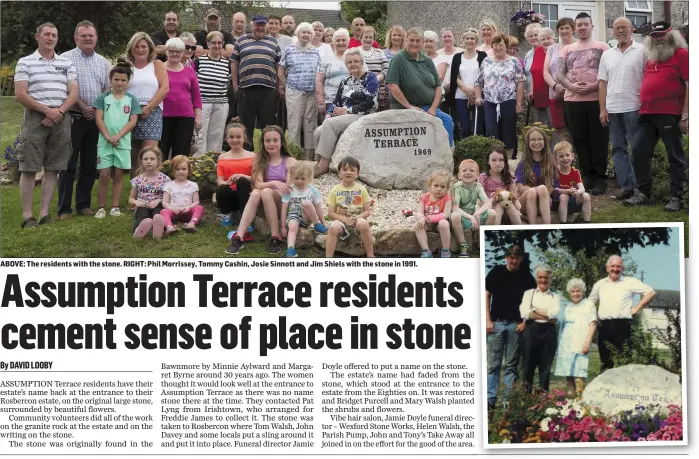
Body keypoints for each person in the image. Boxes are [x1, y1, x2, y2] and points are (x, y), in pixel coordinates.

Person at [14, 22, 78, 229]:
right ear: (37, 37)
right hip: (35, 118)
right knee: (29, 167)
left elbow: (73, 93)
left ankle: (43, 214)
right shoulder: (25, 62)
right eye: (47, 35)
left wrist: (57, 112)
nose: (50, 38)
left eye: (54, 35)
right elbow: (21, 94)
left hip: (61, 117)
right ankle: (27, 216)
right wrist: (45, 110)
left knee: (53, 168)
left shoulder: (66, 63)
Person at [624, 21, 688, 212]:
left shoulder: (682, 55)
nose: (658, 39)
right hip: (646, 113)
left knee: (675, 155)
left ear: (672, 35)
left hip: (669, 113)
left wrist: (685, 116)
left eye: (662, 35)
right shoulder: (651, 57)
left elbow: (690, 85)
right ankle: (643, 193)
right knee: (638, 151)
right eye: (654, 36)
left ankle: (677, 196)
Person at [57, 21, 110, 220]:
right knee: (68, 164)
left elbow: (107, 89)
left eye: (91, 35)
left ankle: (83, 204)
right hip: (73, 118)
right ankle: (64, 209)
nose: (88, 38)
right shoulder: (65, 59)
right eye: (84, 35)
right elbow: (63, 88)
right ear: (76, 38)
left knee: (89, 164)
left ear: (96, 38)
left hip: (95, 120)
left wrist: (95, 108)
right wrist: (81, 105)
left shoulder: (103, 62)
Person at [556, 13, 610, 195]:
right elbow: (559, 74)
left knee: (599, 139)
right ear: (575, 28)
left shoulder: (603, 47)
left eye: (585, 24)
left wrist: (593, 86)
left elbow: (608, 73)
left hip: (596, 100)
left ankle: (601, 177)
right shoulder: (567, 49)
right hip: (573, 101)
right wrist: (572, 86)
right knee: (579, 139)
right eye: (579, 25)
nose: (582, 28)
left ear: (592, 26)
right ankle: (587, 175)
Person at [227, 126, 297, 255]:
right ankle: (240, 236)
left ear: (282, 142)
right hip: (264, 199)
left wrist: (269, 187)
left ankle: (275, 236)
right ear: (263, 143)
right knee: (255, 193)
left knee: (265, 192)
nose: (271, 144)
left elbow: (289, 189)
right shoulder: (259, 158)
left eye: (275, 140)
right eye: (267, 140)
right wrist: (274, 183)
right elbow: (257, 183)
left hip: (283, 202)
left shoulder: (289, 161)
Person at [598, 17, 645, 202]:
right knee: (618, 148)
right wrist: (603, 109)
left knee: (638, 148)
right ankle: (626, 187)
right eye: (616, 28)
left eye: (623, 27)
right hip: (613, 108)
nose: (620, 31)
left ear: (631, 29)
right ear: (612, 32)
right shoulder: (607, 55)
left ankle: (641, 188)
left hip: (635, 107)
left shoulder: (642, 51)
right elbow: (602, 83)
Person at [485, 245, 536, 410]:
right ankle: (490, 401)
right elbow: (486, 295)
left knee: (511, 366)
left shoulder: (527, 277)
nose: (514, 261)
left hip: (516, 325)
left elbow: (534, 300)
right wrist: (487, 320)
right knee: (493, 365)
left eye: (517, 258)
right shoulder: (496, 272)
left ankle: (507, 401)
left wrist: (525, 322)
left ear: (521, 259)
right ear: (506, 257)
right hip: (496, 324)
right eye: (511, 257)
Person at [313, 48, 379, 176]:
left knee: (329, 125)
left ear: (361, 62)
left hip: (362, 116)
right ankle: (318, 162)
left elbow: (372, 102)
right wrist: (328, 114)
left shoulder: (370, 78)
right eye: (349, 62)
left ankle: (324, 164)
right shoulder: (345, 80)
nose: (353, 64)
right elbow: (336, 101)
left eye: (356, 61)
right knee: (319, 131)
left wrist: (347, 110)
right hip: (344, 116)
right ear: (346, 65)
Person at [386, 27, 454, 147]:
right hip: (405, 108)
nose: (414, 43)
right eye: (411, 40)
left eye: (418, 41)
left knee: (447, 120)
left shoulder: (427, 60)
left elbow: (438, 86)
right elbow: (392, 85)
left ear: (422, 43)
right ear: (405, 40)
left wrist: (433, 108)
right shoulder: (398, 59)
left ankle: (446, 154)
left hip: (428, 108)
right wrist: (409, 106)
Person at [589, 255, 656, 371]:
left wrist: (637, 308)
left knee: (624, 362)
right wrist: (593, 317)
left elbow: (650, 292)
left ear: (622, 269)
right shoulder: (599, 284)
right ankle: (605, 387)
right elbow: (589, 303)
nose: (615, 269)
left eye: (618, 266)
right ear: (607, 268)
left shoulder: (629, 282)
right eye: (613, 266)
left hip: (623, 326)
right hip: (604, 327)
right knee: (605, 362)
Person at [93, 59, 141, 219]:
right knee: (104, 174)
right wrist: (107, 136)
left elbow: (133, 121)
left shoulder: (131, 100)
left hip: (122, 143)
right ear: (111, 80)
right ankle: (101, 208)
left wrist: (118, 136)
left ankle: (114, 207)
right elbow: (99, 119)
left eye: (123, 80)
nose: (119, 83)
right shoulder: (103, 98)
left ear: (128, 82)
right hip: (105, 143)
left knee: (119, 175)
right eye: (116, 79)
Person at [231, 14, 281, 151]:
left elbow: (278, 66)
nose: (260, 27)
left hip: (269, 90)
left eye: (262, 25)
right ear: (252, 25)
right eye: (257, 25)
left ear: (265, 26)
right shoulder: (241, 41)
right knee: (246, 126)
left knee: (268, 126)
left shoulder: (273, 42)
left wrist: (279, 86)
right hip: (246, 89)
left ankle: (268, 156)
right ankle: (246, 156)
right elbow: (234, 64)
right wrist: (235, 85)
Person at [126, 32, 169, 178]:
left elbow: (164, 88)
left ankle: (150, 191)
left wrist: (149, 108)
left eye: (143, 46)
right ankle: (135, 193)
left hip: (152, 112)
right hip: (129, 113)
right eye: (136, 46)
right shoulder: (126, 66)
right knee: (133, 156)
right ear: (131, 48)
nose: (140, 49)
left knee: (150, 156)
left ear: (150, 48)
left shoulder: (156, 64)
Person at [474, 34, 525, 159]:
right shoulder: (486, 61)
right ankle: (495, 159)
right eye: (495, 45)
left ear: (506, 46)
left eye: (500, 44)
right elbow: (478, 81)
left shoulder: (513, 61)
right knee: (491, 130)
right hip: (490, 101)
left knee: (508, 131)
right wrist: (478, 97)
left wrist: (519, 104)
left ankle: (508, 161)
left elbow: (520, 82)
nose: (497, 47)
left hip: (508, 100)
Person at [279, 23, 322, 160]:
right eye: (303, 32)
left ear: (311, 35)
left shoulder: (316, 51)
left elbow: (319, 72)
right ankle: (294, 156)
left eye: (309, 33)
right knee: (294, 124)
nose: (306, 35)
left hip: (311, 93)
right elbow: (280, 72)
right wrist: (288, 87)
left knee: (310, 123)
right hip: (294, 91)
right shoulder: (289, 50)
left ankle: (309, 157)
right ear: (298, 34)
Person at [519, 264, 561, 393]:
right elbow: (524, 313)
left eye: (546, 278)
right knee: (528, 368)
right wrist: (547, 314)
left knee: (545, 368)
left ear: (550, 279)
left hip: (548, 334)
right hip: (531, 332)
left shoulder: (556, 296)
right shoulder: (528, 293)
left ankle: (543, 402)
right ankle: (525, 400)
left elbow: (555, 314)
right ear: (537, 278)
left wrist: (534, 309)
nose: (543, 280)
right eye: (540, 277)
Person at [554, 278, 598, 399]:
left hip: (580, 341)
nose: (575, 294)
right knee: (568, 372)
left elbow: (593, 324)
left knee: (579, 371)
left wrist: (587, 342)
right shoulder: (567, 306)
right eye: (572, 291)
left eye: (578, 291)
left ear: (583, 292)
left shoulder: (588, 305)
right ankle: (570, 401)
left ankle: (580, 400)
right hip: (565, 343)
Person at [160, 38, 202, 160]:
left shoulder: (189, 70)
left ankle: (179, 178)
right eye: (171, 51)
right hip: (162, 116)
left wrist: (198, 117)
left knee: (181, 154)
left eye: (178, 51)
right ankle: (161, 178)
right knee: (161, 151)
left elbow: (196, 96)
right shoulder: (159, 69)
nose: (174, 54)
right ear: (166, 52)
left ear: (182, 53)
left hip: (185, 117)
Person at [325, 157, 374, 258]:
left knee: (363, 223)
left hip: (357, 221)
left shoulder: (362, 190)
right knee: (333, 227)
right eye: (344, 169)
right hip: (341, 222)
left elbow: (367, 211)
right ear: (339, 173)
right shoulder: (334, 190)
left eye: (352, 170)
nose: (348, 172)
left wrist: (357, 218)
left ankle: (371, 255)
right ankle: (328, 258)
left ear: (357, 173)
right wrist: (345, 220)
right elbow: (330, 213)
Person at [193, 31, 231, 156]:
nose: (217, 45)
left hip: (221, 104)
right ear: (208, 44)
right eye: (213, 43)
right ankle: (198, 165)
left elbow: (227, 83)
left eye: (220, 43)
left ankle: (213, 165)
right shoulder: (199, 62)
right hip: (203, 103)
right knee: (200, 134)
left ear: (223, 44)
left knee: (217, 135)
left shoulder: (227, 64)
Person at [280, 163, 329, 258]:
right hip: (293, 216)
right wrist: (282, 227)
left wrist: (323, 222)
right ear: (291, 177)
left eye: (303, 178)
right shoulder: (289, 190)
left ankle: (316, 225)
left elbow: (318, 207)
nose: (299, 181)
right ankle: (290, 249)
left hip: (307, 216)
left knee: (306, 203)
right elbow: (284, 208)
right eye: (296, 178)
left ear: (309, 178)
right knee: (293, 226)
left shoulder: (312, 190)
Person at [447, 28, 487, 138]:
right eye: (467, 38)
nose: (469, 41)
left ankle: (478, 149)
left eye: (472, 39)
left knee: (478, 125)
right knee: (464, 126)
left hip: (478, 95)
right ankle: (466, 149)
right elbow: (455, 76)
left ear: (476, 41)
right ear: (463, 41)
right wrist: (466, 90)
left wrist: (474, 92)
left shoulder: (483, 56)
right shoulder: (457, 57)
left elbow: (485, 75)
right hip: (460, 95)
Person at [450, 159, 495, 257]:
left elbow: (487, 203)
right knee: (455, 216)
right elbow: (455, 208)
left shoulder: (478, 186)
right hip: (463, 218)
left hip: (476, 217)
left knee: (492, 213)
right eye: (464, 170)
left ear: (478, 175)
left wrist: (477, 213)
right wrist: (470, 217)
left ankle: (481, 239)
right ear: (459, 175)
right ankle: (463, 246)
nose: (468, 173)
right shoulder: (457, 187)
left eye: (471, 170)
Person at [216, 120, 255, 227]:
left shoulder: (252, 156)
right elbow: (220, 181)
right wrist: (227, 183)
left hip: (247, 196)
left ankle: (245, 218)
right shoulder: (222, 157)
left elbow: (256, 179)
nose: (235, 140)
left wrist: (243, 176)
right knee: (221, 189)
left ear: (244, 138)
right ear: (226, 139)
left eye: (238, 137)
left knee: (242, 181)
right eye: (231, 137)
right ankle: (227, 214)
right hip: (230, 196)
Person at [543, 18, 576, 145]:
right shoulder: (552, 49)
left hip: (574, 94)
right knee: (559, 130)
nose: (564, 31)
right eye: (561, 28)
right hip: (555, 94)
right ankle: (564, 157)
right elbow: (546, 71)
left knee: (574, 128)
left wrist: (569, 87)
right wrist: (555, 85)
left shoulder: (578, 46)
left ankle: (575, 159)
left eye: (567, 28)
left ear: (573, 30)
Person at [515, 126, 557, 224]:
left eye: (539, 139)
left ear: (544, 141)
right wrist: (535, 190)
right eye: (533, 140)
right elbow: (520, 187)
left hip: (544, 201)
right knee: (533, 192)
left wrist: (540, 190)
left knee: (542, 188)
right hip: (525, 202)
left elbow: (552, 186)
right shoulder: (523, 164)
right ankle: (532, 226)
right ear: (528, 143)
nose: (536, 142)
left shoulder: (550, 163)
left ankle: (548, 226)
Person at [129, 146, 170, 240]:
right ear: (141, 162)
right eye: (145, 159)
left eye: (152, 159)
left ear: (158, 161)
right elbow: (130, 198)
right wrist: (136, 202)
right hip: (143, 205)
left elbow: (168, 197)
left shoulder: (165, 179)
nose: (148, 161)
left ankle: (158, 232)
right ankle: (138, 232)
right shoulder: (138, 180)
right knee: (142, 216)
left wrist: (158, 201)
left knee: (158, 215)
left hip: (158, 205)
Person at [414, 169, 453, 258]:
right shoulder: (424, 197)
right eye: (436, 185)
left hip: (440, 224)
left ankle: (446, 250)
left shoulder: (447, 198)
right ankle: (426, 251)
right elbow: (419, 212)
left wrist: (429, 218)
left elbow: (445, 214)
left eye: (443, 187)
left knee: (444, 223)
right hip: (427, 222)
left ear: (447, 188)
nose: (439, 189)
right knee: (417, 226)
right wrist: (421, 218)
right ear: (430, 185)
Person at [478, 146, 522, 225]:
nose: (497, 164)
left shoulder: (509, 176)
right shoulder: (483, 177)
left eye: (501, 160)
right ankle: (494, 232)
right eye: (494, 160)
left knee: (508, 204)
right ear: (488, 161)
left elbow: (513, 197)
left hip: (508, 208)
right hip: (490, 208)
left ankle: (521, 230)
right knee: (498, 205)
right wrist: (494, 200)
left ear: (505, 161)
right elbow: (481, 201)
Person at [161, 155, 204, 234]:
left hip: (188, 212)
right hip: (174, 213)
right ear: (173, 171)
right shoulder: (168, 185)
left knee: (199, 207)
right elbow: (164, 202)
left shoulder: (193, 185)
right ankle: (169, 227)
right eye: (177, 169)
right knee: (163, 211)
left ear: (189, 170)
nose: (181, 172)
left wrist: (189, 207)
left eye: (184, 169)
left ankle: (191, 224)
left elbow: (196, 201)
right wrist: (172, 208)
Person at [316, 28, 351, 123]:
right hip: (329, 101)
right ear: (333, 42)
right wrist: (320, 102)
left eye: (343, 40)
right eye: (338, 40)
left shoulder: (354, 57)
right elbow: (319, 80)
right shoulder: (326, 59)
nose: (341, 43)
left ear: (348, 41)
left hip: (350, 103)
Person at [553, 141, 591, 223]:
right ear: (556, 159)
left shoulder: (575, 172)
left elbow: (582, 188)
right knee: (564, 196)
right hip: (558, 201)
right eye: (561, 156)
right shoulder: (555, 172)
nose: (565, 158)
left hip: (573, 201)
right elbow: (553, 189)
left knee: (586, 196)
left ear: (572, 156)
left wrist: (578, 192)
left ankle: (586, 222)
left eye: (567, 155)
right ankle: (564, 223)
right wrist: (566, 191)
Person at [268, 15, 294, 131]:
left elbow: (290, 62)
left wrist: (282, 84)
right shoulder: (264, 39)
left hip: (283, 82)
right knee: (269, 115)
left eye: (276, 24)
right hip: (268, 82)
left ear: (280, 26)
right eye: (271, 23)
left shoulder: (287, 40)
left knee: (283, 117)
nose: (274, 26)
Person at [523, 23, 551, 126]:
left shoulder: (548, 50)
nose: (534, 38)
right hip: (534, 96)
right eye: (531, 36)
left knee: (552, 126)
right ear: (527, 38)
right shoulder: (528, 54)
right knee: (539, 126)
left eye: (536, 35)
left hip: (549, 94)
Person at [358, 26, 388, 111]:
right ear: (361, 38)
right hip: (359, 92)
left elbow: (386, 69)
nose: (368, 39)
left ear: (374, 39)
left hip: (379, 93)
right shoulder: (355, 51)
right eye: (366, 37)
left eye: (370, 37)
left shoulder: (380, 52)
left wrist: (375, 80)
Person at [531, 27, 555, 126]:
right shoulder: (538, 51)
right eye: (543, 39)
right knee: (542, 128)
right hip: (538, 96)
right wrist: (532, 90)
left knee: (555, 127)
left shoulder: (557, 50)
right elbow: (533, 72)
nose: (546, 41)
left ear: (553, 37)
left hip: (552, 95)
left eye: (548, 38)